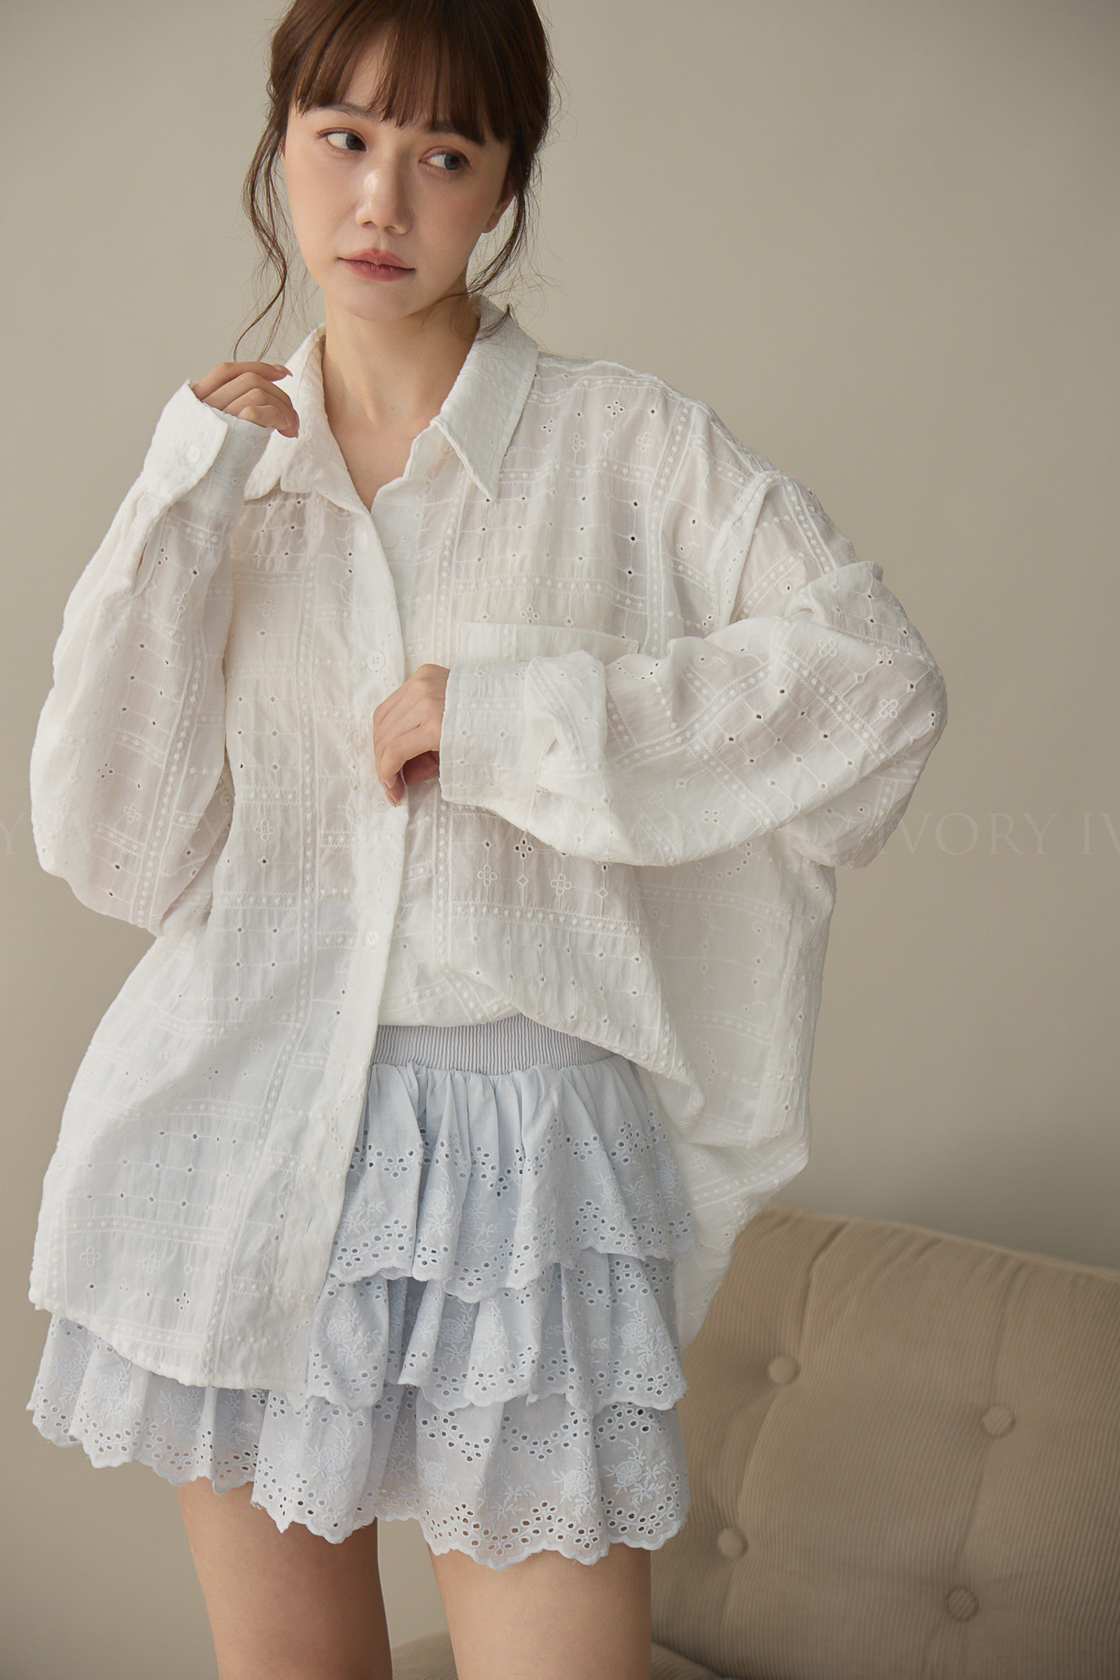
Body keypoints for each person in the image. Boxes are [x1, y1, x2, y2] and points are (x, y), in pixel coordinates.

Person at [25, 1, 946, 1676]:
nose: (382, 201)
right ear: (282, 143)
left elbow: (874, 688)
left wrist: (519, 722)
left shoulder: (625, 447)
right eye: (345, 139)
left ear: (505, 181)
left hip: (531, 1175)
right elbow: (119, 851)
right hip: (243, 1135)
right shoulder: (222, 473)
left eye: (443, 153)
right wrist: (180, 508)